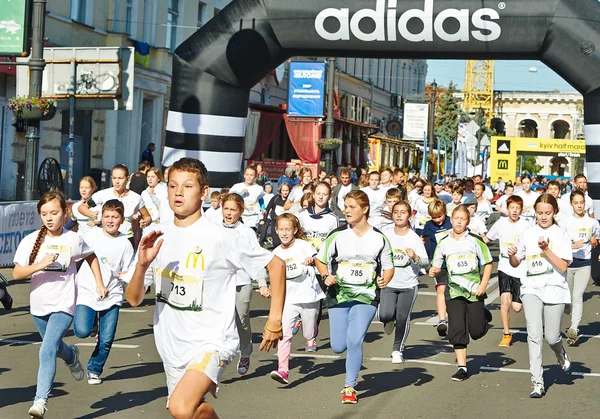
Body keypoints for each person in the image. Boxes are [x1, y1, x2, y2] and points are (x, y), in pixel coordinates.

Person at [125, 158, 285, 418]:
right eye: (173, 186)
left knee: (181, 407)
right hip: (171, 346)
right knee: (188, 413)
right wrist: (142, 265)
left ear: (204, 193)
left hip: (212, 342)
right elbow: (133, 299)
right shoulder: (156, 235)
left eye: (188, 186)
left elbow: (276, 265)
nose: (178, 192)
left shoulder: (221, 236)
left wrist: (274, 320)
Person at [13, 192, 103, 418]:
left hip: (64, 304)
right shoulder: (31, 240)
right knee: (54, 346)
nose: (49, 218)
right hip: (39, 305)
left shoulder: (72, 239)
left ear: (65, 213)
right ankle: (71, 355)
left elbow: (90, 256)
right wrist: (40, 265)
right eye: (44, 214)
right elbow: (16, 273)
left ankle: (40, 401)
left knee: (46, 349)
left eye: (54, 213)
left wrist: (99, 283)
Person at [316, 190, 394, 404]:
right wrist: (326, 276)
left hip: (367, 296)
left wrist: (384, 279)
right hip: (339, 295)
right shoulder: (337, 235)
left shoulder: (379, 238)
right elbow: (320, 260)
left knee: (354, 340)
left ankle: (349, 386)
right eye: (345, 206)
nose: (346, 210)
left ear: (365, 209)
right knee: (338, 346)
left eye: (351, 207)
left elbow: (388, 267)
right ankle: (349, 376)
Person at [508, 194, 573, 398]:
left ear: (554, 213)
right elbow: (516, 263)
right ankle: (537, 382)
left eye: (547, 213)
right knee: (534, 336)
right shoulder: (528, 233)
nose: (543, 217)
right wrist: (512, 255)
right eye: (539, 213)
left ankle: (560, 353)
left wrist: (546, 250)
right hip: (531, 288)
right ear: (534, 212)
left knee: (551, 337)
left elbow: (563, 266)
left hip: (554, 288)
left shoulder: (561, 233)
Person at [429, 205, 493, 382]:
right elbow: (436, 265)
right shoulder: (443, 242)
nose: (458, 221)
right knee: (457, 329)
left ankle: (483, 316)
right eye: (456, 218)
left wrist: (484, 284)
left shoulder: (475, 240)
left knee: (477, 331)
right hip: (454, 292)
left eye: (462, 218)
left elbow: (487, 263)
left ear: (468, 221)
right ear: (451, 219)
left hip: (474, 290)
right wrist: (433, 271)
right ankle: (462, 367)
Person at [74, 200, 135, 384]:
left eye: (114, 217)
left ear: (121, 220)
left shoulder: (125, 244)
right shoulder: (92, 235)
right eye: (107, 216)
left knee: (107, 338)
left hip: (112, 294)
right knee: (82, 331)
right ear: (101, 217)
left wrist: (127, 275)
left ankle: (94, 369)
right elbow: (77, 253)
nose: (110, 220)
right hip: (87, 290)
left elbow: (130, 268)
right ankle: (92, 324)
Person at [270, 214, 325, 384]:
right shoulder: (276, 253)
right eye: (282, 230)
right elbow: (274, 276)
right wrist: (269, 288)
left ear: (295, 230)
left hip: (309, 296)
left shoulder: (304, 246)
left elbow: (318, 260)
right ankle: (283, 370)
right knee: (284, 335)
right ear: (276, 230)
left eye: (288, 229)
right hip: (289, 299)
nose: (285, 233)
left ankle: (312, 331)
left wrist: (312, 260)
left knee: (308, 333)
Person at [221, 193, 270, 375]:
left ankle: (245, 352)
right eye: (226, 208)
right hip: (220, 284)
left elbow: (256, 260)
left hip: (241, 282)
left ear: (241, 211)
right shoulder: (214, 229)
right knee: (220, 321)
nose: (228, 213)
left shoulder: (247, 232)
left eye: (233, 210)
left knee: (241, 320)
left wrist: (262, 283)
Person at [381, 201, 429, 363]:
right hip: (388, 282)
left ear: (409, 215)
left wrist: (415, 257)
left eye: (403, 212)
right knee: (385, 314)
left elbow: (425, 263)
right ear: (392, 214)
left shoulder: (414, 238)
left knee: (402, 317)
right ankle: (387, 319)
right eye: (396, 212)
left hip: (408, 284)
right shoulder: (385, 234)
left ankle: (397, 350)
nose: (399, 215)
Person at [485, 196, 528, 347]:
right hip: (504, 266)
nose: (515, 211)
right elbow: (487, 239)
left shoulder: (526, 225)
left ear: (521, 210)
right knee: (505, 302)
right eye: (512, 208)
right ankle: (506, 333)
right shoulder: (500, 223)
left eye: (517, 208)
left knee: (517, 307)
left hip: (520, 267)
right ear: (507, 209)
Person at [78, 164, 151, 247]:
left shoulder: (136, 198)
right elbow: (82, 207)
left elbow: (147, 217)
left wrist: (145, 222)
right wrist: (91, 214)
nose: (116, 182)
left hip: (126, 239)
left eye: (120, 178)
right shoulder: (103, 194)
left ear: (127, 179)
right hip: (106, 238)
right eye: (114, 178)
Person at [562, 190, 600, 345]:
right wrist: (572, 245)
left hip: (584, 264)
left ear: (585, 204)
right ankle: (567, 308)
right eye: (576, 203)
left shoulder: (592, 223)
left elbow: (598, 237)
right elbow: (558, 243)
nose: (579, 205)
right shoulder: (565, 222)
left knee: (577, 296)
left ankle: (574, 329)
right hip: (568, 264)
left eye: (581, 202)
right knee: (568, 299)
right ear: (571, 204)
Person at [421, 199, 453, 336]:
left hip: (453, 261)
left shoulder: (451, 221)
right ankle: (442, 320)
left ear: (444, 213)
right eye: (434, 217)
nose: (437, 220)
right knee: (441, 288)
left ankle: (455, 319)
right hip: (438, 263)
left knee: (453, 292)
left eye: (439, 216)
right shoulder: (429, 226)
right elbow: (423, 239)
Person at [298, 182, 339, 252]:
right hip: (304, 256)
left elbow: (334, 243)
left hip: (322, 258)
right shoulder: (302, 215)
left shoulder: (333, 219)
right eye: (318, 193)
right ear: (313, 195)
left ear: (329, 196)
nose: (321, 197)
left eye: (325, 194)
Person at [229, 165, 265, 230]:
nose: (249, 177)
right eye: (247, 174)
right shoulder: (237, 187)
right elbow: (230, 198)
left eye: (251, 175)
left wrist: (263, 208)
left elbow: (260, 199)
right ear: (244, 175)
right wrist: (240, 194)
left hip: (253, 218)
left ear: (255, 177)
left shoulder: (258, 188)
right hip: (240, 217)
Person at [260, 182, 292, 248]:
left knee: (285, 241)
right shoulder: (276, 198)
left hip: (286, 223)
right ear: (280, 190)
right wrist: (264, 219)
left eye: (287, 191)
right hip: (275, 222)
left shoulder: (290, 200)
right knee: (276, 242)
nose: (285, 192)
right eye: (283, 190)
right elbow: (267, 209)